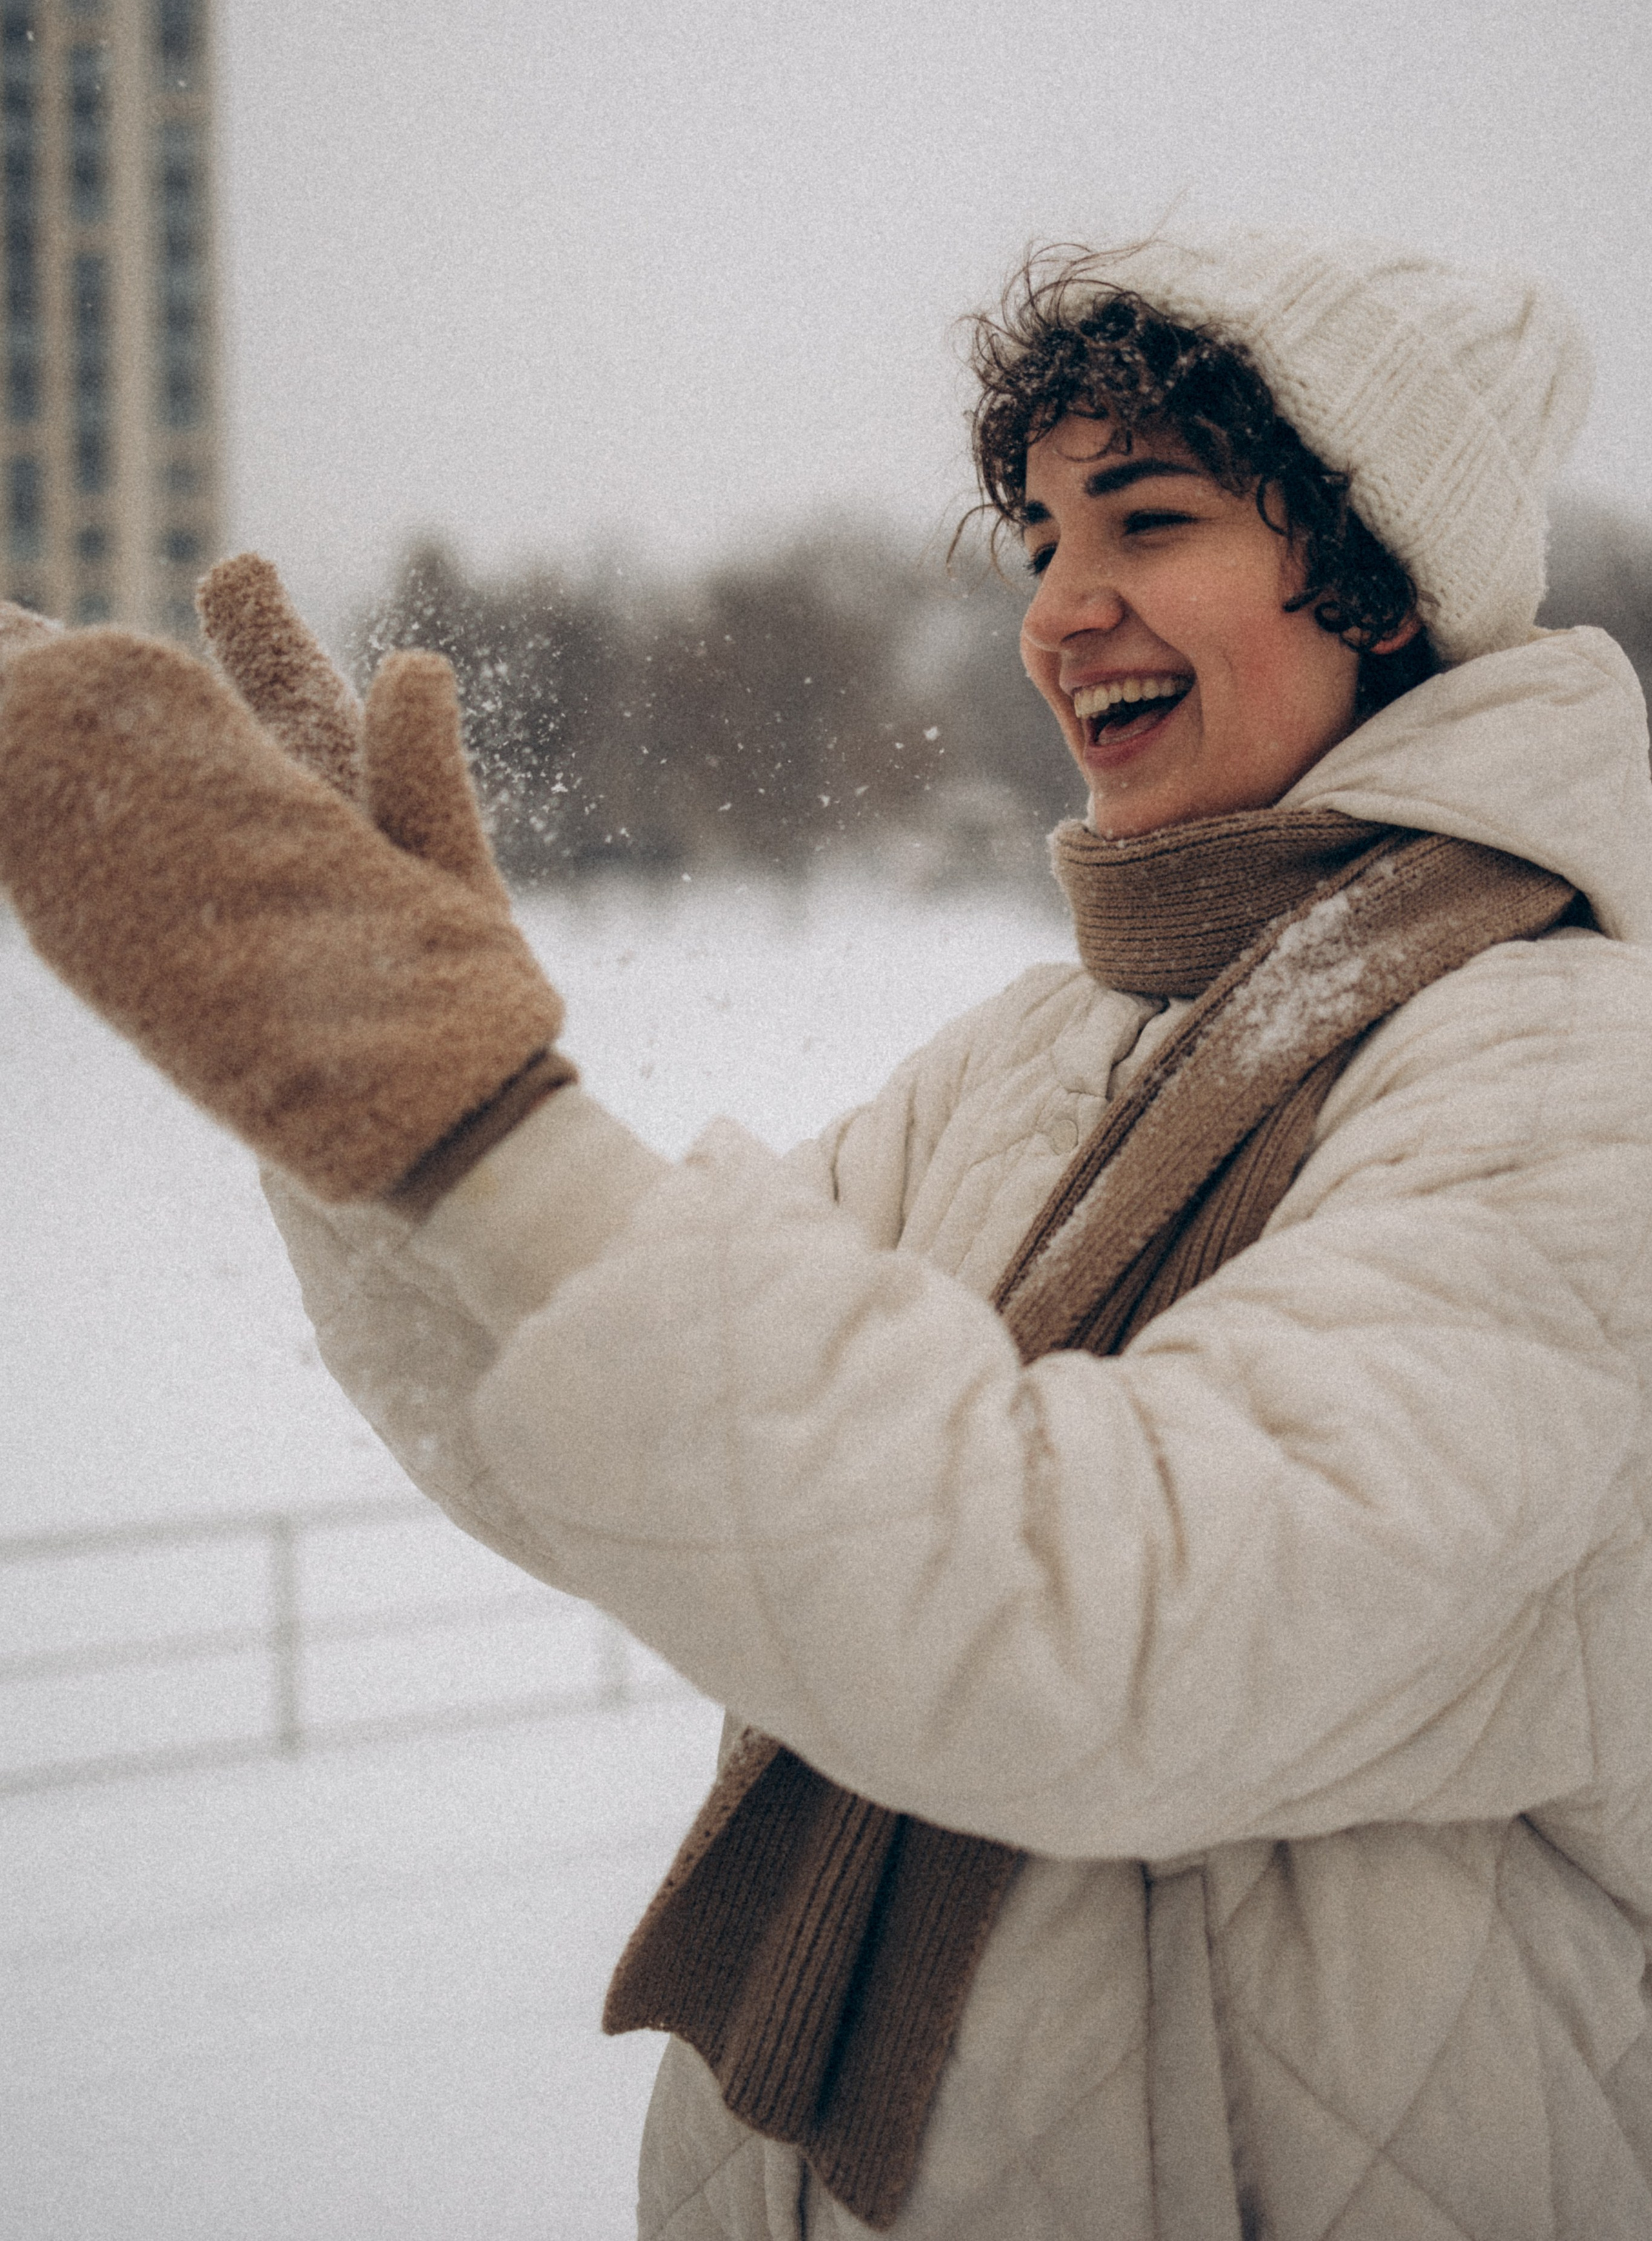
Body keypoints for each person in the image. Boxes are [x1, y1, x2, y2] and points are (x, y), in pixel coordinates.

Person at [2, 228, 1651, 2240]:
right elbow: (621, 1448)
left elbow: (1103, 1631)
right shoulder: (1042, 1060)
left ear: (1386, 583)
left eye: (1147, 517)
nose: (1061, 610)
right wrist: (360, 1115)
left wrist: (469, 1109)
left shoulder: (1575, 1073)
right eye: (1041, 536)